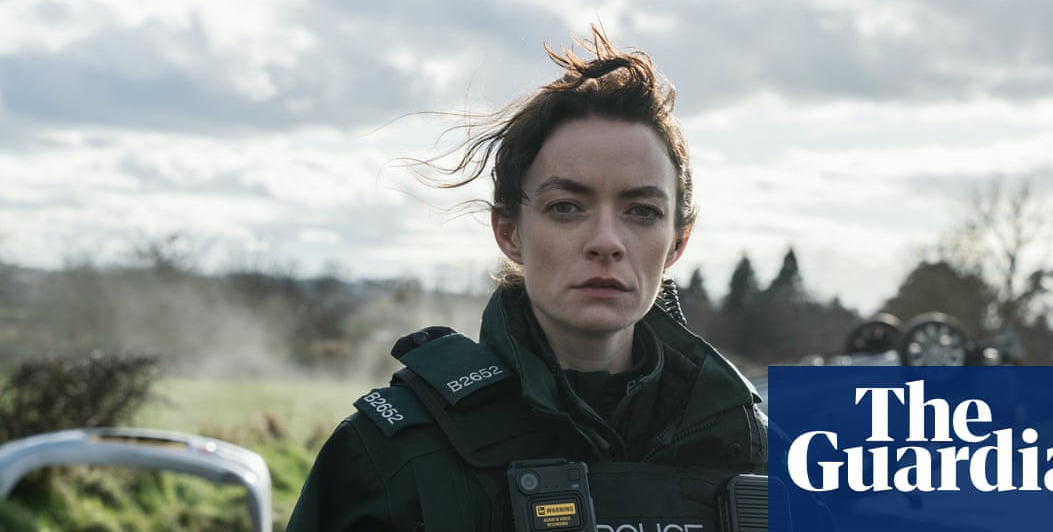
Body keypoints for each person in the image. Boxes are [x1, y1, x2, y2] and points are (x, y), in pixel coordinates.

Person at [286, 27, 778, 531]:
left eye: (642, 211)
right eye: (566, 207)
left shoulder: (761, 456)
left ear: (677, 243)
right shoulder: (392, 459)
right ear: (509, 232)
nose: (606, 241)